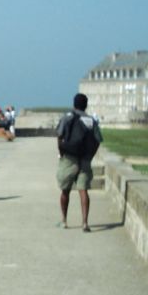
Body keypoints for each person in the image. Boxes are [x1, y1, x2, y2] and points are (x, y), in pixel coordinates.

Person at [56, 93, 102, 233]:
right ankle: (85, 223)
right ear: (86, 105)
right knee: (83, 191)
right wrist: (90, 156)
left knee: (65, 190)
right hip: (85, 159)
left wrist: (62, 153)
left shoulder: (67, 117)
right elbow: (97, 140)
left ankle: (64, 220)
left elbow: (59, 136)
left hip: (69, 158)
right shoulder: (91, 121)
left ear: (74, 104)